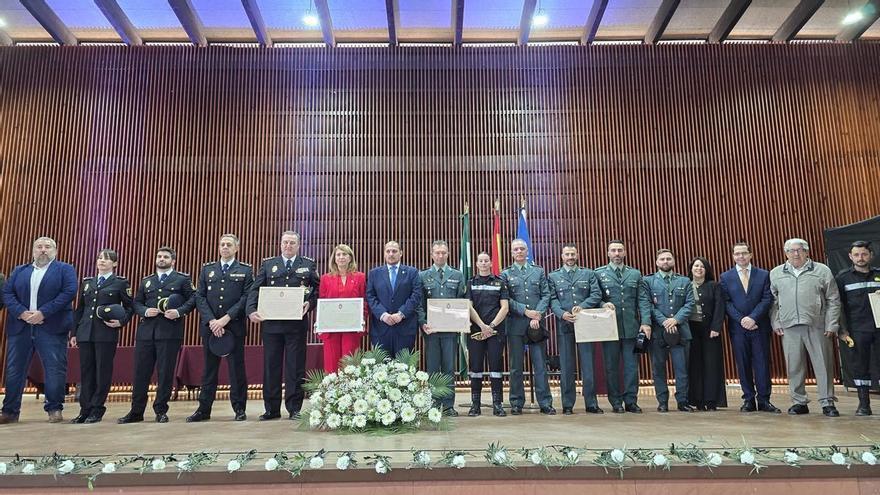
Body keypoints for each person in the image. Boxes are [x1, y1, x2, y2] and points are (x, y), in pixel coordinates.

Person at [0, 237, 77, 424]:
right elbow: (7, 294)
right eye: (39, 247)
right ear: (33, 251)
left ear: (55, 251)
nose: (43, 250)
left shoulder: (65, 269)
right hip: (21, 327)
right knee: (14, 370)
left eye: (47, 247)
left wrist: (43, 313)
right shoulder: (20, 270)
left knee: (54, 368)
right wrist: (21, 313)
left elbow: (69, 293)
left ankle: (54, 409)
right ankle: (9, 411)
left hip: (51, 326)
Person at [247, 231, 319, 420]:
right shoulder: (268, 264)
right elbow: (255, 288)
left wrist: (309, 303)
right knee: (271, 366)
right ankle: (271, 409)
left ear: (299, 245)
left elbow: (317, 290)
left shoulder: (307, 264)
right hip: (271, 325)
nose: (288, 246)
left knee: (295, 367)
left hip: (296, 325)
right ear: (280, 244)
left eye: (292, 243)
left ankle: (294, 407)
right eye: (285, 242)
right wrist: (251, 310)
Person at [119, 246, 196, 424]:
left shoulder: (182, 279)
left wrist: (179, 312)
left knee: (165, 373)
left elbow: (193, 299)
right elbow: (136, 303)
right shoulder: (147, 281)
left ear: (173, 261)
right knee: (140, 373)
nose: (161, 259)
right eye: (159, 256)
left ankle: (161, 410)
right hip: (146, 332)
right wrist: (145, 311)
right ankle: (136, 411)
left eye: (166, 257)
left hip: (169, 332)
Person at [770, 238, 842, 417]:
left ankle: (827, 402)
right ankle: (799, 402)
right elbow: (773, 302)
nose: (796, 254)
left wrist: (832, 323)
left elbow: (833, 298)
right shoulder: (776, 273)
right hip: (789, 326)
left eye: (800, 250)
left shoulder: (822, 271)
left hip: (817, 325)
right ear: (785, 253)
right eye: (791, 250)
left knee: (823, 365)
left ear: (807, 252)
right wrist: (776, 322)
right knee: (794, 366)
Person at [188, 234, 253, 423]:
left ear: (236, 248)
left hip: (233, 326)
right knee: (208, 370)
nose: (225, 247)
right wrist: (211, 321)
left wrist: (225, 319)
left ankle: (239, 408)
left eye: (229, 245)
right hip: (211, 328)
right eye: (222, 244)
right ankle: (204, 409)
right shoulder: (208, 269)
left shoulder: (245, 270)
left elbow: (245, 298)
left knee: (236, 369)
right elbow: (199, 297)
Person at [70, 249, 133, 423]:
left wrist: (121, 322)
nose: (102, 261)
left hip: (105, 333)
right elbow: (80, 309)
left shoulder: (120, 283)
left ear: (115, 264)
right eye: (99, 258)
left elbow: (129, 307)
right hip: (85, 332)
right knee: (86, 372)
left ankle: (97, 409)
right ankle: (84, 409)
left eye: (107, 259)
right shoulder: (88, 282)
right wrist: (75, 332)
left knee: (102, 371)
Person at [719, 241, 780, 413]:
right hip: (738, 328)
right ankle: (748, 400)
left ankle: (764, 400)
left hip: (759, 326)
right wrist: (742, 320)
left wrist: (753, 318)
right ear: (733, 256)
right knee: (743, 363)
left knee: (762, 363)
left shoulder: (763, 274)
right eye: (737, 254)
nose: (741, 256)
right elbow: (727, 302)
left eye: (744, 253)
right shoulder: (726, 277)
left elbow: (767, 299)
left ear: (751, 254)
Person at [595, 240, 652, 413]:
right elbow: (594, 296)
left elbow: (642, 300)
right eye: (613, 250)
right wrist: (603, 303)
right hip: (609, 328)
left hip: (631, 327)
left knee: (631, 367)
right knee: (611, 367)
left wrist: (646, 322)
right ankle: (616, 401)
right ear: (608, 253)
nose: (617, 253)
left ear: (625, 252)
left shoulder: (635, 274)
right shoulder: (599, 274)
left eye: (620, 250)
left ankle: (631, 400)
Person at [501, 238, 555, 415]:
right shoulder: (505, 274)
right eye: (515, 249)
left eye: (522, 249)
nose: (519, 252)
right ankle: (516, 402)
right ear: (511, 252)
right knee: (516, 366)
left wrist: (537, 314)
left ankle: (545, 402)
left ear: (527, 251)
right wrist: (525, 311)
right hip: (516, 324)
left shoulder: (538, 271)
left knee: (540, 365)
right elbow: (505, 299)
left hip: (536, 325)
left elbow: (546, 295)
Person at [548, 243, 603, 415]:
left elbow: (596, 294)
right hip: (564, 323)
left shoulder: (588, 273)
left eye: (573, 254)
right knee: (566, 365)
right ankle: (567, 404)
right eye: (567, 254)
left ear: (577, 255)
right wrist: (561, 313)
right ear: (562, 256)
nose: (570, 257)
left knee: (588, 365)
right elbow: (552, 298)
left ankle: (591, 403)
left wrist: (583, 306)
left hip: (584, 323)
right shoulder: (553, 276)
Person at [417, 240, 466, 416]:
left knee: (448, 368)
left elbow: (461, 301)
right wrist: (423, 323)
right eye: (437, 253)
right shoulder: (422, 276)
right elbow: (419, 304)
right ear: (431, 254)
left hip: (450, 331)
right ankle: (433, 403)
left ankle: (448, 405)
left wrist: (460, 321)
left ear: (448, 254)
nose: (440, 255)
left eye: (443, 252)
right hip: (431, 331)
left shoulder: (457, 275)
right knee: (432, 368)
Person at [644, 249, 694, 412]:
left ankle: (682, 401)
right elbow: (648, 305)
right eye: (662, 259)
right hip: (658, 332)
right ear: (657, 262)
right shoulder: (648, 281)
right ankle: (662, 401)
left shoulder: (685, 281)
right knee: (658, 368)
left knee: (682, 368)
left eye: (668, 259)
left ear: (673, 261)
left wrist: (675, 319)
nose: (665, 261)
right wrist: (664, 321)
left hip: (681, 331)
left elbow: (689, 304)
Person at [835, 240, 879, 416]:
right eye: (857, 255)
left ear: (871, 255)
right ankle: (864, 405)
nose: (860, 258)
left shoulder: (878, 274)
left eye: (864, 254)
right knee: (860, 367)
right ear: (850, 256)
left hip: (879, 328)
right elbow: (837, 306)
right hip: (857, 330)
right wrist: (842, 330)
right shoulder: (842, 278)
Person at [466, 252, 509, 417]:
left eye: (486, 261)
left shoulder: (500, 283)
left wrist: (490, 326)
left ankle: (497, 404)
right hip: (476, 331)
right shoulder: (471, 283)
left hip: (495, 331)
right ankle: (475, 405)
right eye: (481, 261)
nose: (483, 263)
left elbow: (504, 307)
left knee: (496, 368)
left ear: (491, 263)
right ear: (477, 264)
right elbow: (469, 307)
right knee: (475, 368)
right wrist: (482, 326)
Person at [365, 241, 422, 356]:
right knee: (381, 371)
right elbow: (370, 296)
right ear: (384, 254)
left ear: (401, 253)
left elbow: (416, 295)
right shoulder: (374, 273)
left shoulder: (412, 272)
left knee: (404, 370)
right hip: (381, 328)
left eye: (394, 251)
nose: (391, 254)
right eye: (388, 251)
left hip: (405, 328)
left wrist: (401, 313)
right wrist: (383, 314)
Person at [316, 244, 367, 373]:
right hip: (331, 327)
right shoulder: (325, 279)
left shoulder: (360, 277)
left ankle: (350, 391)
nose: (341, 257)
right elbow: (322, 302)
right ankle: (332, 392)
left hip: (352, 326)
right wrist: (320, 322)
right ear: (334, 258)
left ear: (350, 258)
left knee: (349, 364)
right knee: (331, 362)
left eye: (344, 254)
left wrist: (363, 319)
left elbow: (364, 301)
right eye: (338, 255)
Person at [686, 257, 727, 411]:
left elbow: (719, 307)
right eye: (696, 265)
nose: (699, 268)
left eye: (702, 266)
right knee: (695, 365)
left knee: (712, 364)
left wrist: (716, 327)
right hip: (691, 330)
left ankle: (711, 400)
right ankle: (697, 400)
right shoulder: (686, 285)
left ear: (707, 270)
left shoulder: (714, 286)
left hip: (711, 331)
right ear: (691, 268)